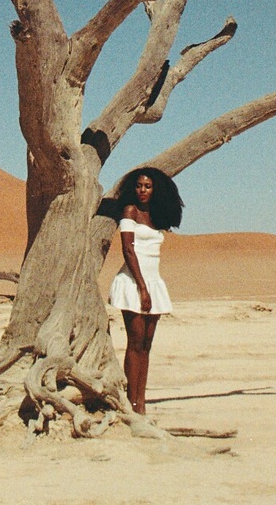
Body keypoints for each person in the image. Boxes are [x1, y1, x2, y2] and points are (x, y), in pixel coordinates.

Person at [107, 166, 183, 415]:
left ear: (155, 189)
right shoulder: (130, 212)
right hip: (133, 282)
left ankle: (142, 400)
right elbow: (128, 249)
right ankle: (132, 403)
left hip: (153, 281)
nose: (142, 190)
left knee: (147, 346)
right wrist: (141, 288)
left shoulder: (156, 216)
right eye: (139, 186)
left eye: (147, 186)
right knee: (135, 342)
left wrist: (149, 287)